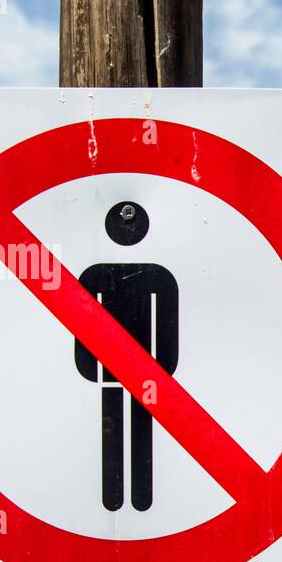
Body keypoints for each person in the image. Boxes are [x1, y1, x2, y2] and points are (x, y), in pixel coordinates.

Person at [74, 201, 178, 511]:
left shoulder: (155, 276)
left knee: (136, 430)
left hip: (136, 374)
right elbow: (83, 326)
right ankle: (115, 500)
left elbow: (167, 322)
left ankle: (138, 500)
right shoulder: (98, 275)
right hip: (120, 373)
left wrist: (160, 370)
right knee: (115, 431)